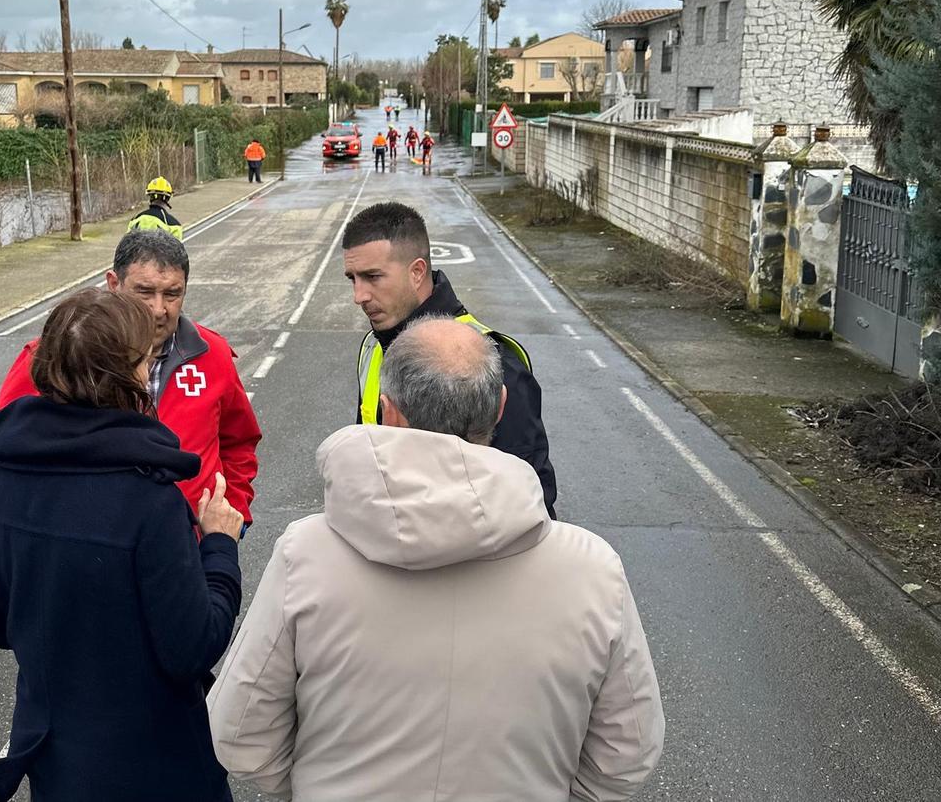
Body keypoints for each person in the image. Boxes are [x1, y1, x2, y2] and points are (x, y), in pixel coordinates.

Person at [208, 318, 664, 801]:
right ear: (501, 409)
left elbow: (240, 735)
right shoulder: (593, 570)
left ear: (388, 412)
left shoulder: (306, 553)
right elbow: (628, 752)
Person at [0, 288, 244, 802]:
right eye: (146, 362)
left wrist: (57, 639)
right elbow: (192, 646)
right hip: (155, 763)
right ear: (129, 375)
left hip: (56, 758)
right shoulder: (148, 496)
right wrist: (218, 544)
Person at [0, 231, 261, 526]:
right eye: (144, 292)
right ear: (113, 284)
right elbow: (5, 455)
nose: (158, 309)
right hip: (90, 547)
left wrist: (234, 511)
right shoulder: (51, 358)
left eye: (172, 294)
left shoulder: (213, 355)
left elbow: (239, 443)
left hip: (195, 545)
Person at [342, 201, 557, 513]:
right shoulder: (374, 346)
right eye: (352, 278)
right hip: (387, 543)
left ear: (417, 272)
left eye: (372, 277)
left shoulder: (490, 361)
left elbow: (530, 499)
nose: (358, 295)